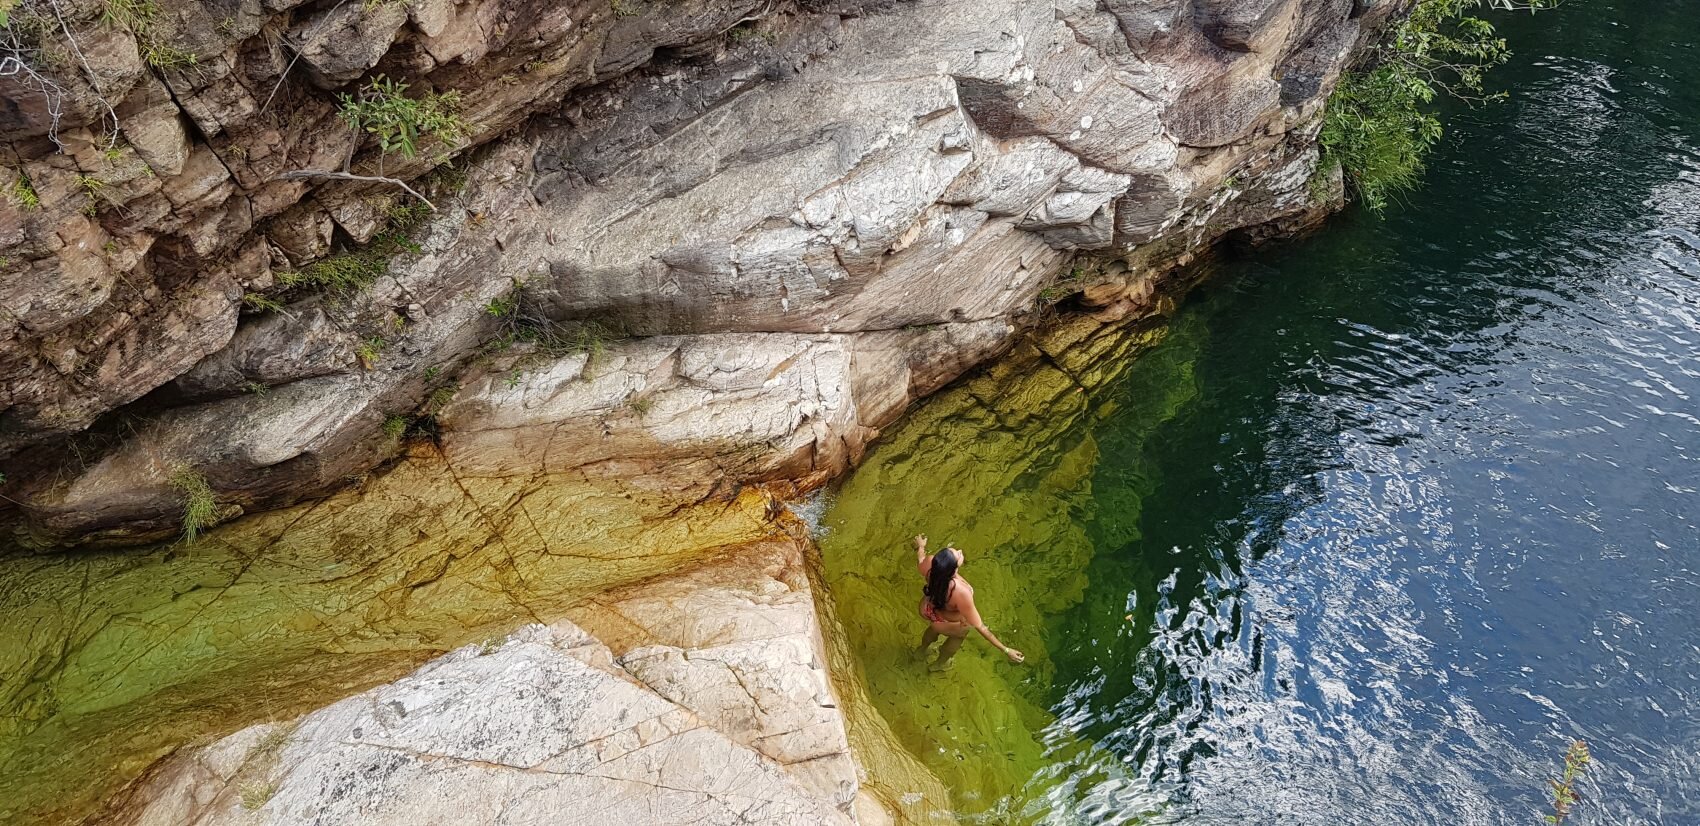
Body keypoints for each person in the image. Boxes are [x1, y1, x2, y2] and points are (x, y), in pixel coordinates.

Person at [913, 534, 1024, 671]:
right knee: (959, 635)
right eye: (957, 554)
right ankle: (940, 664)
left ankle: (921, 650)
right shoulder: (960, 593)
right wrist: (1006, 650)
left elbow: (920, 559)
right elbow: (980, 626)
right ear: (953, 568)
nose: (960, 551)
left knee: (933, 629)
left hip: (928, 608)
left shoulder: (931, 565)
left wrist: (921, 546)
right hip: (947, 621)